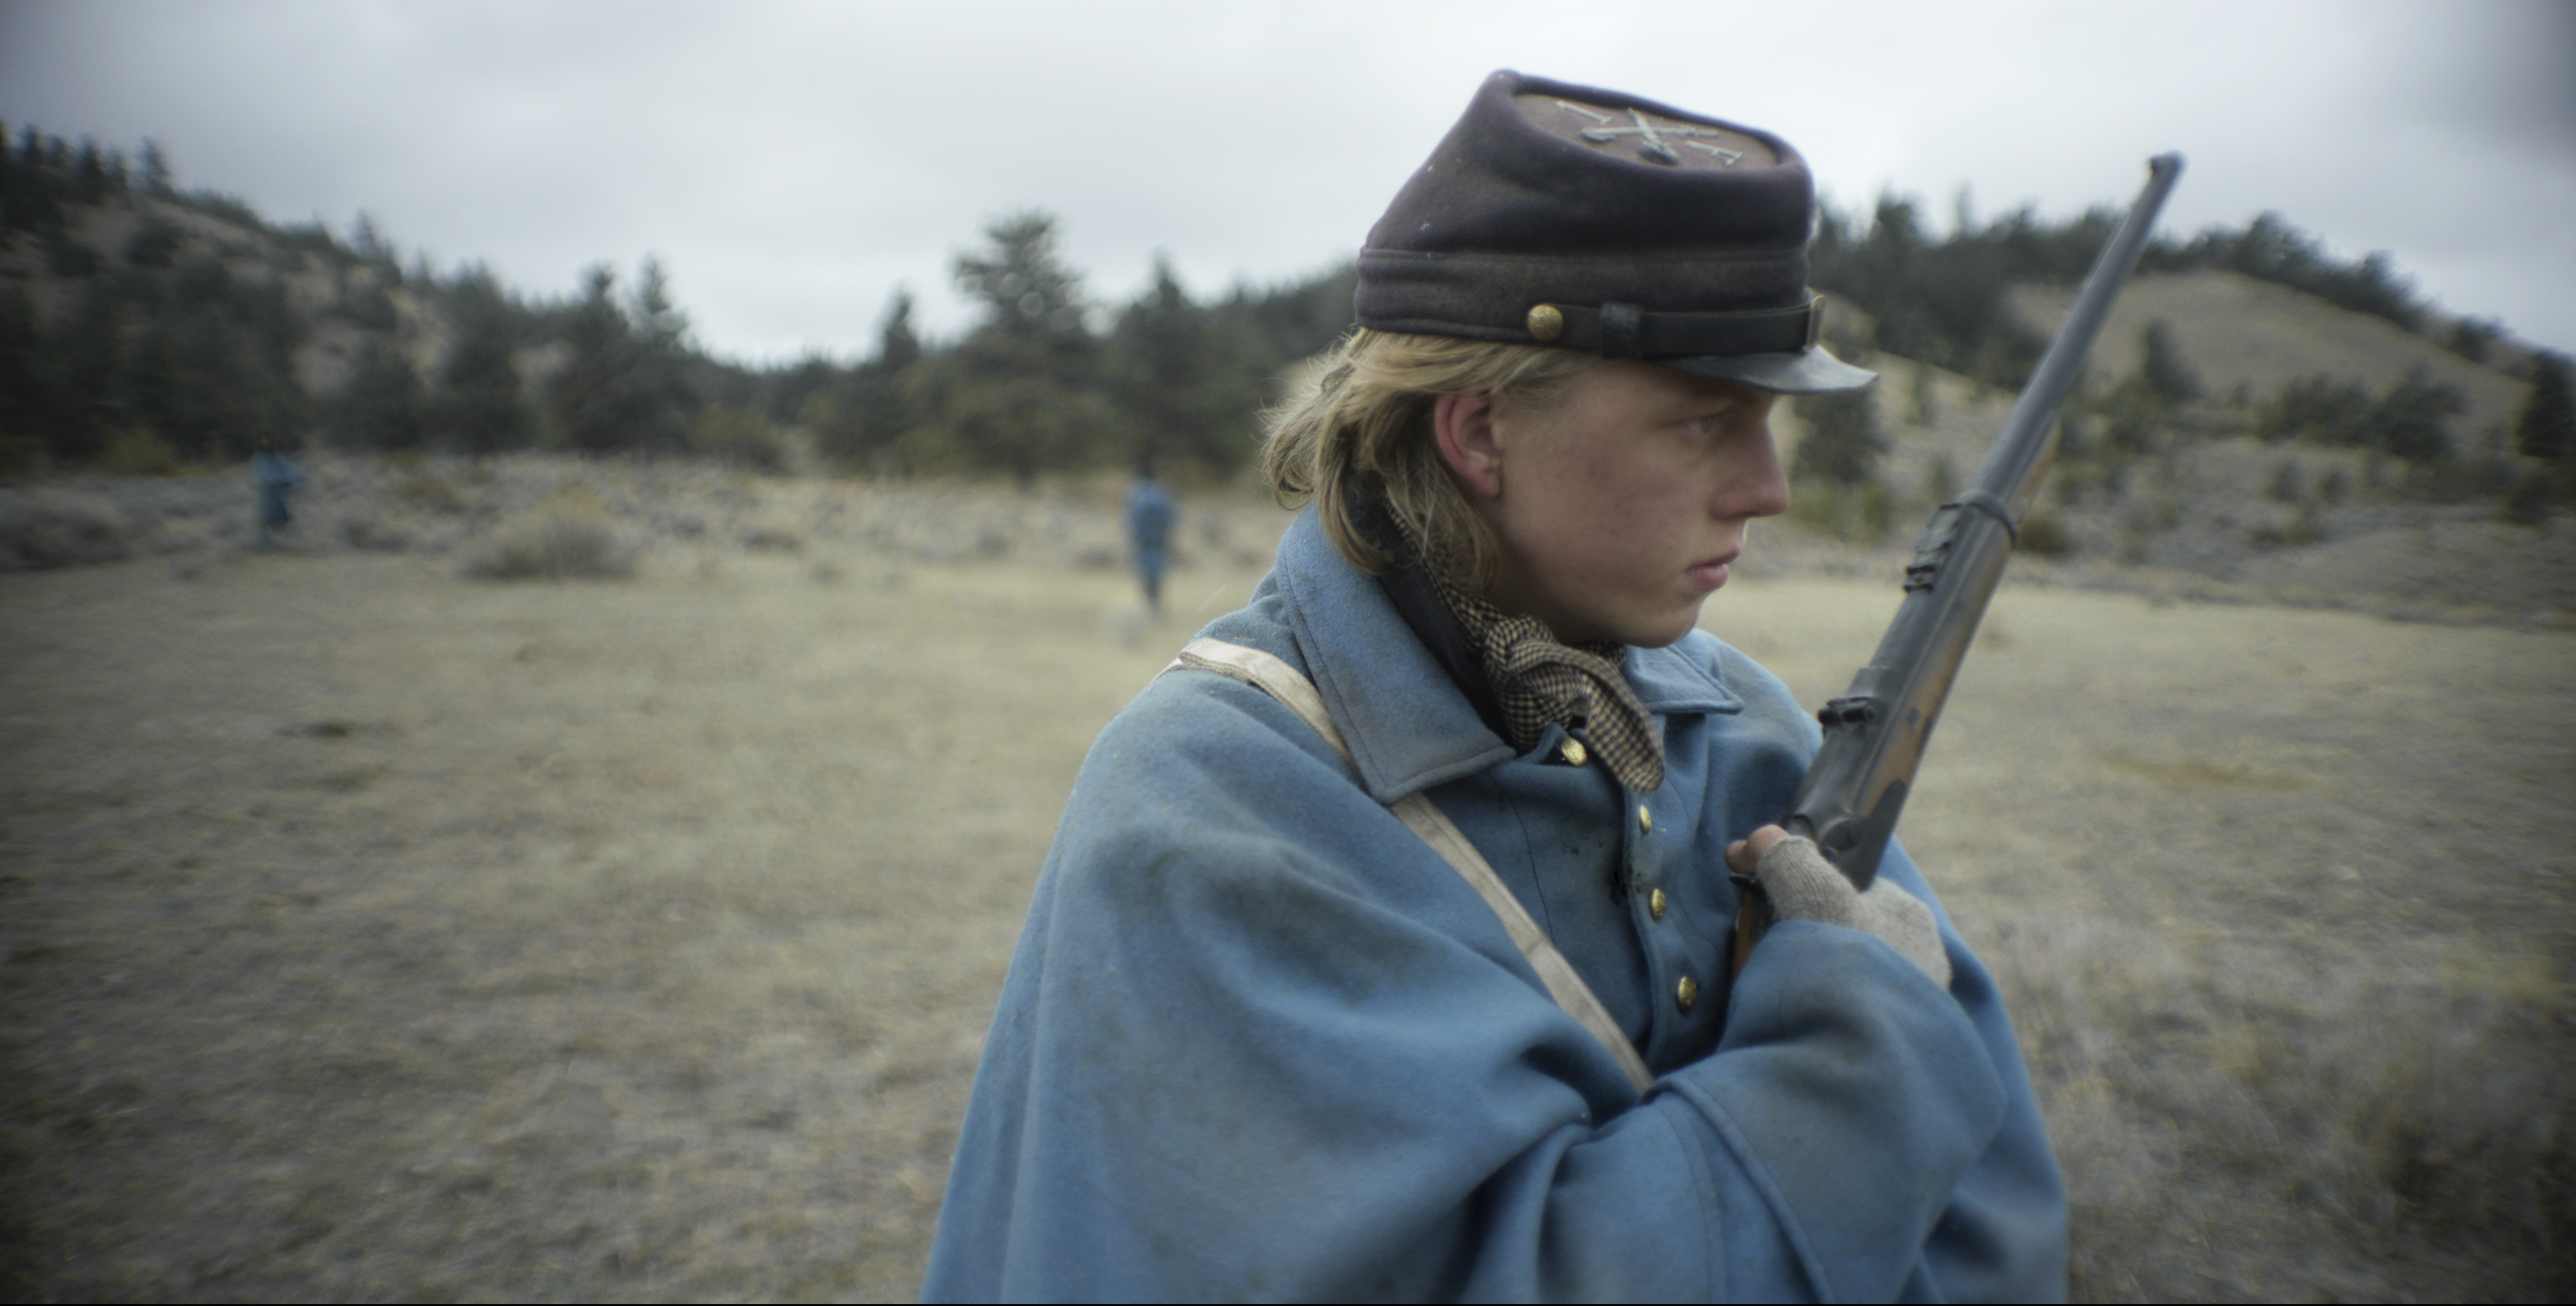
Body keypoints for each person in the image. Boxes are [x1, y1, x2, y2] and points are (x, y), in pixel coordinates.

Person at [923, 71, 2065, 1301]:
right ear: (1479, 433)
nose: (1766, 488)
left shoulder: (1741, 725)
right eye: (1702, 421)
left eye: (1769, 419)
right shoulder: (1202, 810)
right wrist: (1864, 1049)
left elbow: (1994, 1234)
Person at [1125, 456, 1178, 616]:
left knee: (1144, 574)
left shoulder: (1137, 492)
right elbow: (1171, 516)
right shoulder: (1162, 491)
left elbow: (1131, 518)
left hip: (1143, 541)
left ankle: (1150, 606)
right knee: (1158, 574)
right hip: (1160, 540)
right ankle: (1156, 605)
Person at [250, 438, 302, 551]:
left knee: (279, 518)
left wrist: (293, 483)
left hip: (277, 492)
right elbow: (257, 477)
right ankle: (265, 543)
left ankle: (282, 543)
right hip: (267, 492)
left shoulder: (279, 458)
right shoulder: (260, 459)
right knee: (265, 519)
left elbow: (289, 474)